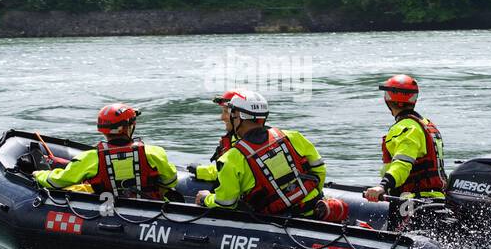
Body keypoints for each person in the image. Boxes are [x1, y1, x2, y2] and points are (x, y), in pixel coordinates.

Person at [194, 91, 326, 217]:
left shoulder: (231, 159)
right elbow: (319, 170)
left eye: (230, 113)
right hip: (315, 208)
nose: (224, 117)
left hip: (277, 219)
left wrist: (206, 199)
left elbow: (225, 204)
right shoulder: (293, 136)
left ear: (239, 116)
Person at [35, 103, 179, 200]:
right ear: (129, 127)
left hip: (108, 211)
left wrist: (39, 174)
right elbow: (170, 181)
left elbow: (56, 182)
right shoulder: (154, 153)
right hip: (152, 210)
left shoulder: (90, 158)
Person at [363, 74, 446, 203]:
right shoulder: (425, 124)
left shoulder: (406, 128)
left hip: (414, 201)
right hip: (434, 198)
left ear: (389, 99)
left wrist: (382, 186)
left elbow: (403, 163)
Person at [193, 90, 243, 183]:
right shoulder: (235, 139)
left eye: (226, 112)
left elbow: (230, 175)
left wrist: (202, 172)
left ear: (242, 115)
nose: (222, 117)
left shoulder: (242, 147)